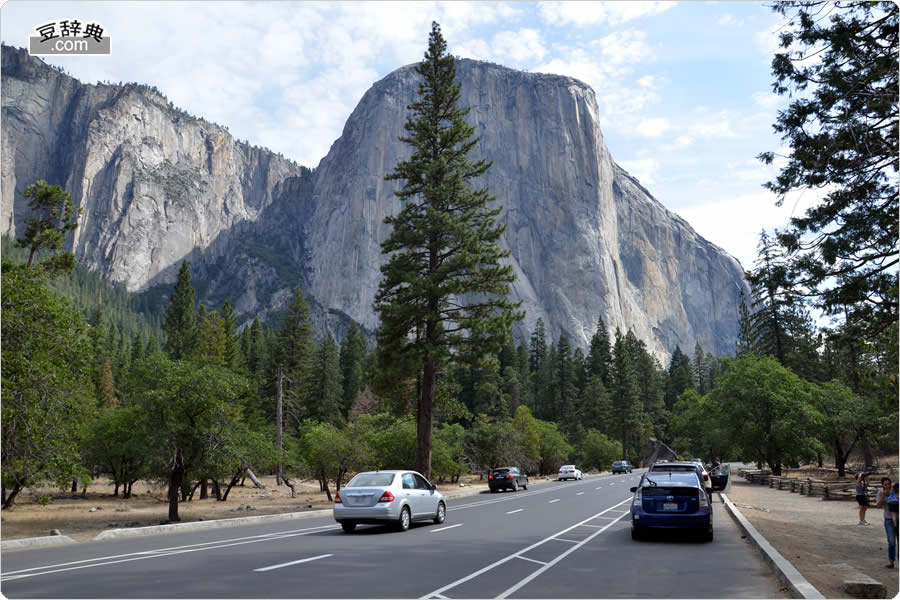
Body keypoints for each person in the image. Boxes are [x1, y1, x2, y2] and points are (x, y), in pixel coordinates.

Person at [875, 477, 896, 568]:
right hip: (888, 520)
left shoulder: (896, 492)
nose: (887, 486)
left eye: (889, 484)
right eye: (885, 484)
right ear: (882, 485)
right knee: (891, 542)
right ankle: (891, 561)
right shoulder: (880, 493)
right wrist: (884, 496)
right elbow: (878, 506)